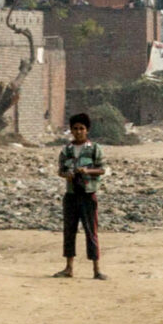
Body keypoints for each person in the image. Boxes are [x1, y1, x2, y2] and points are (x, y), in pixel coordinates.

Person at [57, 113, 107, 279]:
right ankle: (68, 268)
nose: (78, 132)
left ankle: (96, 270)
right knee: (69, 231)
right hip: (71, 195)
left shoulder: (94, 149)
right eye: (75, 128)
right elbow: (60, 170)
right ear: (71, 130)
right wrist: (67, 175)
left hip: (88, 195)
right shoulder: (66, 150)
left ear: (87, 130)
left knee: (91, 231)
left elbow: (102, 169)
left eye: (81, 128)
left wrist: (87, 171)